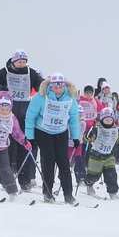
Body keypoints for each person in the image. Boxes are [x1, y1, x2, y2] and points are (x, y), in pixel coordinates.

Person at [0, 50, 45, 191]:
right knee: (7, 147)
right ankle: (6, 179)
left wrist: (46, 86)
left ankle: (24, 180)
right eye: (19, 61)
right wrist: (0, 90)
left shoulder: (30, 73)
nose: (22, 64)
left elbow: (41, 86)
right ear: (13, 61)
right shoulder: (4, 72)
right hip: (6, 114)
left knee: (23, 146)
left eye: (24, 61)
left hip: (25, 114)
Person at [25, 73, 82, 203]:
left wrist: (75, 136)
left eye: (60, 85)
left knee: (63, 163)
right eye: (54, 85)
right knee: (48, 161)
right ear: (49, 85)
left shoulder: (70, 98)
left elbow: (73, 119)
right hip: (43, 131)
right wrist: (30, 137)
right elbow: (30, 117)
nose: (57, 88)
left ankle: (68, 195)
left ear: (64, 86)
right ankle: (48, 193)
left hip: (61, 132)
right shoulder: (41, 97)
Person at [83, 108, 119, 199]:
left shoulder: (116, 130)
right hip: (96, 156)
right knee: (93, 175)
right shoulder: (97, 128)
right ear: (102, 119)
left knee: (111, 175)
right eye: (106, 119)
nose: (108, 121)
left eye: (110, 119)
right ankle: (89, 185)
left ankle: (113, 192)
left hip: (109, 156)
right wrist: (89, 136)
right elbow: (87, 137)